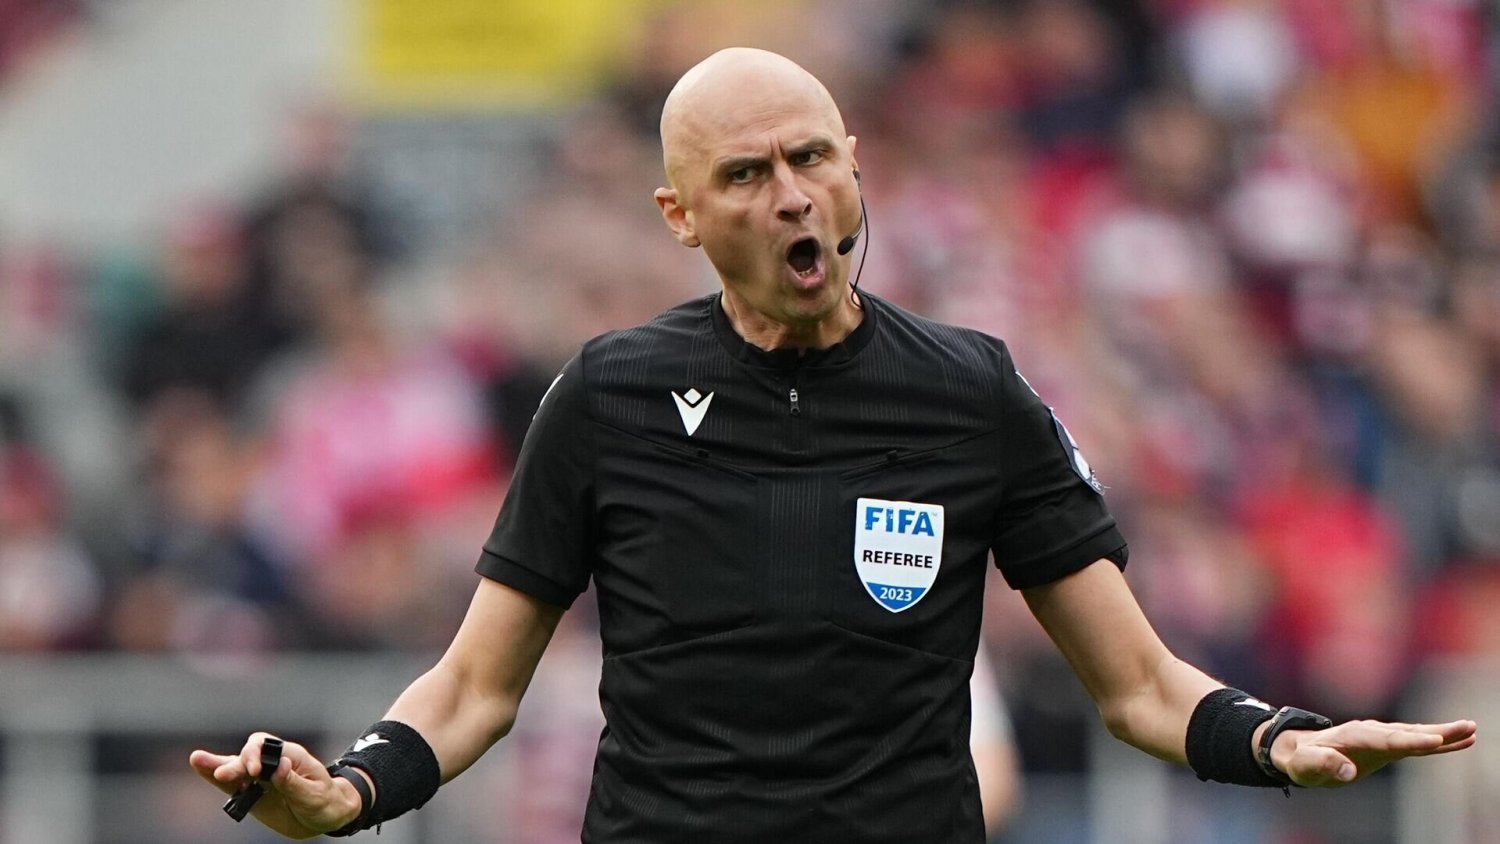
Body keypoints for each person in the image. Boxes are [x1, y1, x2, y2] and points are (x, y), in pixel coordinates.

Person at [190, 48, 1477, 842]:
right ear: (680, 214)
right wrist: (350, 790)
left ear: (857, 170)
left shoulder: (972, 393)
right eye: (747, 175)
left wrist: (1274, 738)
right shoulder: (609, 396)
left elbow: (1139, 684)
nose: (793, 194)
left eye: (813, 158)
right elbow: (475, 686)